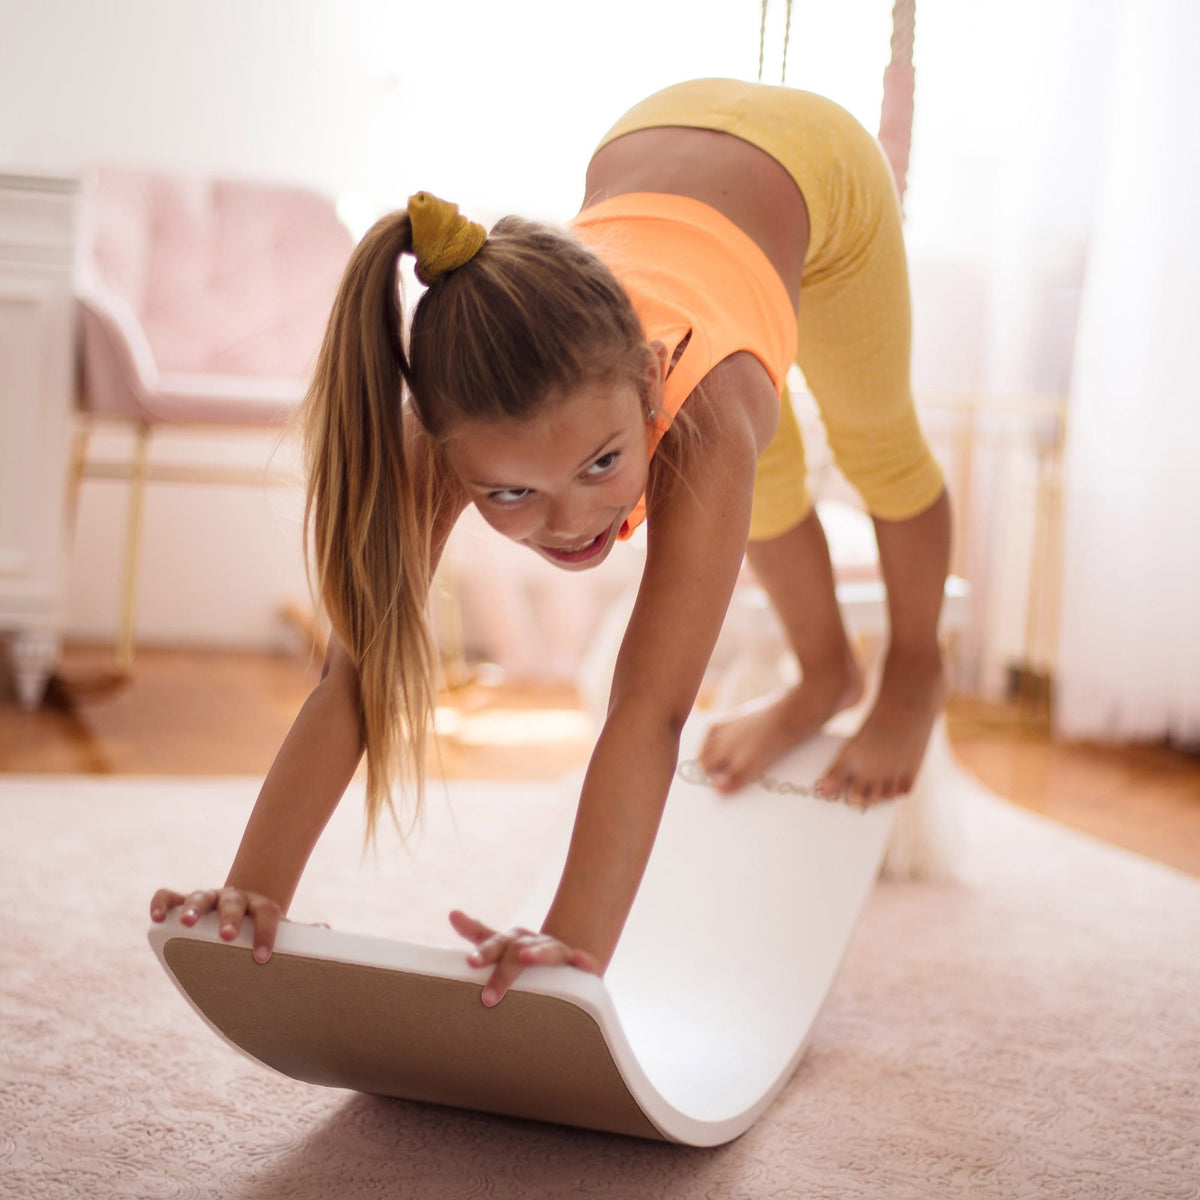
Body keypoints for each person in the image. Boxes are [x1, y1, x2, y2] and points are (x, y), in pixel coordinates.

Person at [150, 78, 951, 1008]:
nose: (570, 523)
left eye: (602, 464)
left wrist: (571, 944)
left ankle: (911, 675)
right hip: (656, 141)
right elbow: (354, 674)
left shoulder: (706, 412)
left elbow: (647, 712)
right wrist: (255, 889)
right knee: (760, 485)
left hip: (821, 171)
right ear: (445, 450)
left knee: (872, 443)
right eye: (509, 492)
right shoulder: (438, 434)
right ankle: (825, 678)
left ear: (652, 383)